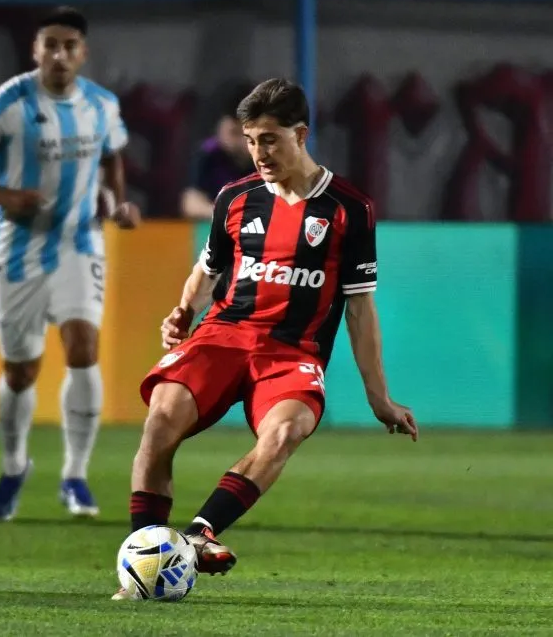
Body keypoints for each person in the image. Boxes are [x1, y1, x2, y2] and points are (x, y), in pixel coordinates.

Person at [115, 79, 418, 600]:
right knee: (161, 416)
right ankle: (144, 560)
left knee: (285, 432)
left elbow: (360, 307)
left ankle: (194, 537)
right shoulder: (234, 199)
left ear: (301, 135)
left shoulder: (349, 209)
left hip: (292, 353)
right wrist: (184, 311)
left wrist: (379, 398)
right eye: (252, 139)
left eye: (271, 139)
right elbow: (207, 269)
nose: (259, 152)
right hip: (224, 335)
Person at [0, 6, 141, 521]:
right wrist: (6, 196)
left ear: (84, 52)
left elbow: (113, 156)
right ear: (35, 50)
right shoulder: (7, 102)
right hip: (19, 252)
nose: (59, 55)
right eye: (49, 45)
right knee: (21, 370)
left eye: (69, 45)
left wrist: (118, 204)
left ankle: (75, 475)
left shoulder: (102, 105)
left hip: (80, 243)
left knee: (83, 347)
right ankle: (14, 466)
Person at [180, 84, 255, 221]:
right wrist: (228, 215)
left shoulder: (266, 160)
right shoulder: (208, 155)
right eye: (234, 133)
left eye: (245, 134)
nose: (240, 142)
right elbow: (190, 204)